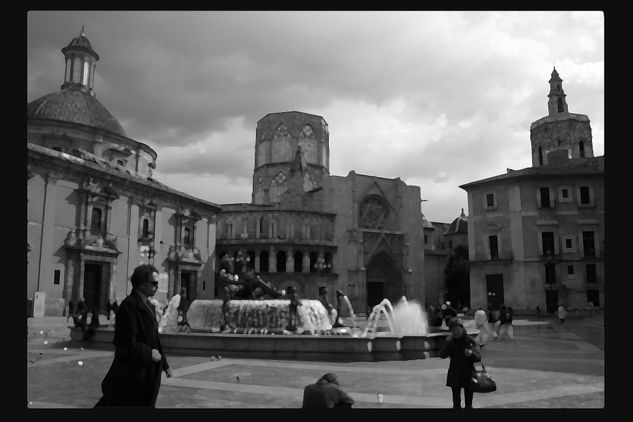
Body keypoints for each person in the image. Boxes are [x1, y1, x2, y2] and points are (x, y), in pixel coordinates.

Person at [95, 264, 172, 407]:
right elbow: (124, 344)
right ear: (142, 283)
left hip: (145, 374)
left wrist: (164, 364)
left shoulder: (148, 305)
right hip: (131, 376)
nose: (157, 286)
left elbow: (154, 339)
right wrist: (149, 353)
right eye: (154, 283)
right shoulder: (129, 306)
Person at [439, 317, 481, 409]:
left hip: (468, 373)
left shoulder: (469, 340)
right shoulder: (450, 342)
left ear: (462, 328)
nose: (456, 332)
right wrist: (447, 342)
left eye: (458, 329)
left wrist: (471, 354)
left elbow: (478, 357)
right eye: (453, 330)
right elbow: (442, 355)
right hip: (455, 373)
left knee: (468, 403)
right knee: (456, 403)